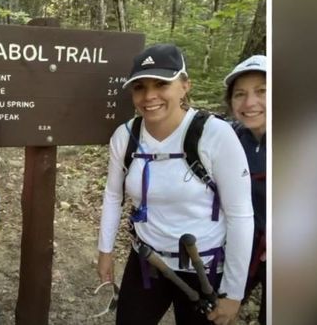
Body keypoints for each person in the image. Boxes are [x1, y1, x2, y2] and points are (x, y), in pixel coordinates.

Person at [97, 43, 254, 325]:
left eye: (161, 84)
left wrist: (233, 292)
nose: (149, 96)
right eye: (139, 87)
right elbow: (112, 195)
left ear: (184, 86)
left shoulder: (215, 135)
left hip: (204, 269)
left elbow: (241, 215)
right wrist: (105, 250)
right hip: (146, 261)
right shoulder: (125, 136)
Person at [223, 55, 267, 324]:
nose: (250, 103)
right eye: (240, 94)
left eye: (262, 91)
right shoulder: (230, 137)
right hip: (240, 248)